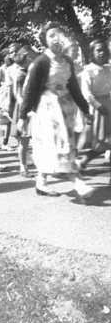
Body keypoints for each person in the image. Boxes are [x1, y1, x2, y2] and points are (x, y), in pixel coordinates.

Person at [17, 22, 94, 201]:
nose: (56, 38)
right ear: (45, 40)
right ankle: (78, 184)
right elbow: (30, 90)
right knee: (60, 145)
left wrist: (85, 109)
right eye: (51, 35)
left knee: (57, 145)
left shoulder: (67, 62)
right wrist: (22, 117)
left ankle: (41, 182)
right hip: (48, 108)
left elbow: (74, 88)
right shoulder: (41, 62)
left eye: (59, 34)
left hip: (66, 109)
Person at [77, 39, 111, 171]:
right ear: (92, 53)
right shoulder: (88, 71)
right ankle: (83, 161)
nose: (102, 53)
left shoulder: (108, 69)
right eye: (98, 50)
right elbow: (87, 94)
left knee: (107, 142)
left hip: (109, 104)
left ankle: (83, 161)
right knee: (101, 143)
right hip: (98, 109)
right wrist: (99, 106)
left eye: (104, 50)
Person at [10, 46, 38, 177]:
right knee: (24, 141)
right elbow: (17, 93)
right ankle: (23, 167)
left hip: (33, 107)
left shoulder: (32, 71)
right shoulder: (20, 73)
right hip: (24, 109)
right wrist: (26, 107)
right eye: (32, 57)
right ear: (26, 56)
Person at [0, 43, 21, 151]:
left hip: (19, 95)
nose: (14, 54)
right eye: (11, 52)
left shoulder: (22, 66)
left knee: (17, 119)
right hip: (7, 95)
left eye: (16, 51)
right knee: (8, 119)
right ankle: (4, 142)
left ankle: (17, 143)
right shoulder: (4, 70)